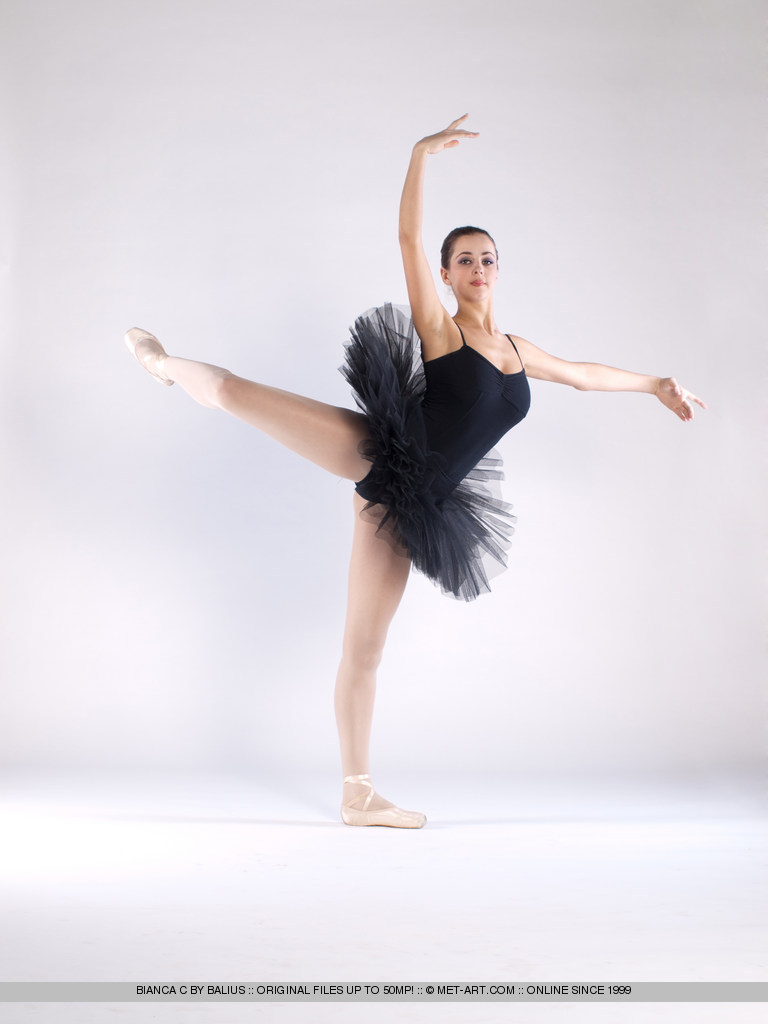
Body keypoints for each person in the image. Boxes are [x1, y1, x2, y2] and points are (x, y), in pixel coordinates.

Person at [125, 116, 706, 829]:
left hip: (419, 506)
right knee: (237, 392)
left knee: (365, 647)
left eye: (487, 258)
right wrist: (418, 156)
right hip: (381, 453)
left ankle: (357, 795)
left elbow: (583, 375)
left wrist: (654, 384)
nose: (478, 268)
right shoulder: (442, 328)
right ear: (447, 274)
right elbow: (406, 237)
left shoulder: (518, 350)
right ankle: (162, 364)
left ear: (499, 270)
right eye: (464, 260)